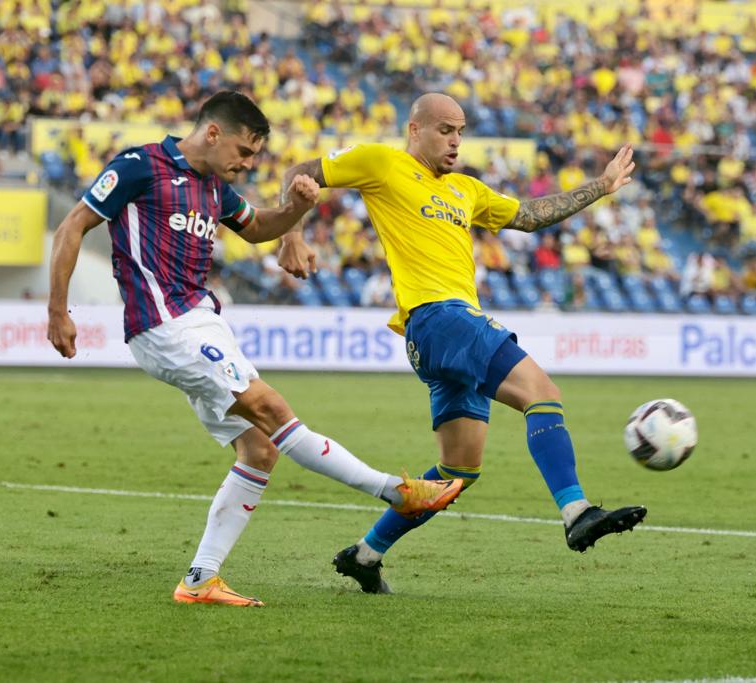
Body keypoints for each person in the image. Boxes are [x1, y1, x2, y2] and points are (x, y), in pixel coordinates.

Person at [46, 91, 463, 606]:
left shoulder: (215, 189)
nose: (247, 164)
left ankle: (200, 580)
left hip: (202, 321)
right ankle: (397, 492)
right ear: (213, 133)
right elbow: (72, 226)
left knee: (259, 449)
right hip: (164, 324)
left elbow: (259, 228)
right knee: (270, 407)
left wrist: (296, 211)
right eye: (244, 152)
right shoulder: (140, 165)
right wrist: (57, 310)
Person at [278, 93, 646, 594]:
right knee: (543, 393)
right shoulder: (381, 163)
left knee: (458, 471)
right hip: (440, 317)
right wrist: (291, 233)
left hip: (437, 338)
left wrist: (600, 187)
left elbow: (531, 215)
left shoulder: (465, 190)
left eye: (461, 130)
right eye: (445, 129)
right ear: (415, 129)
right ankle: (576, 510)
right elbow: (302, 171)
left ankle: (365, 555)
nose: (455, 140)